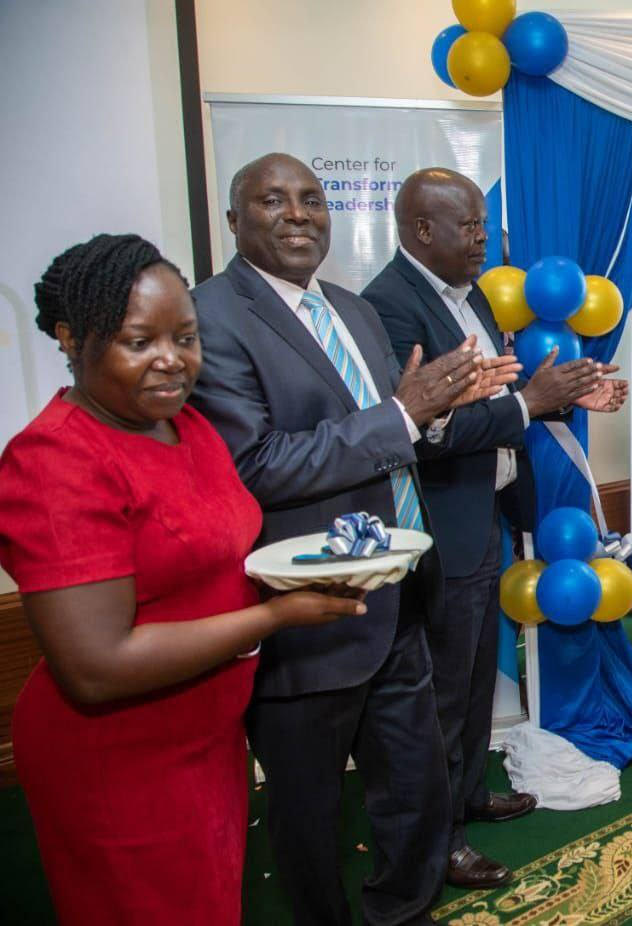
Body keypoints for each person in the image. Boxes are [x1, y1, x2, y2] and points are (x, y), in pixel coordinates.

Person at [0, 234, 365, 924]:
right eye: (139, 342)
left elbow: (211, 562)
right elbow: (97, 666)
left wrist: (298, 579)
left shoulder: (187, 425)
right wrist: (274, 617)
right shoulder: (54, 460)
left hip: (208, 732)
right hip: (120, 756)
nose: (172, 359)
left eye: (186, 338)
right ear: (71, 339)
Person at [188, 154, 514, 925]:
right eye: (273, 201)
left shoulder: (351, 309)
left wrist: (438, 407)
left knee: (414, 787)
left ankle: (404, 909)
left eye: (311, 199)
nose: (299, 214)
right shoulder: (212, 316)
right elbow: (254, 464)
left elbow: (395, 427)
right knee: (310, 811)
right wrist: (403, 415)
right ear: (234, 221)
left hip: (399, 588)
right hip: (310, 609)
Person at [362, 167, 627, 887]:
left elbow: (499, 395)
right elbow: (425, 433)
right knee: (446, 689)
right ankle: (442, 840)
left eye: (484, 224)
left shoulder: (471, 293)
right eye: (470, 225)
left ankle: (470, 794)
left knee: (479, 671)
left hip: (487, 511)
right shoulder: (389, 306)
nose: (485, 238)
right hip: (442, 522)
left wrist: (567, 396)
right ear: (423, 230)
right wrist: (531, 402)